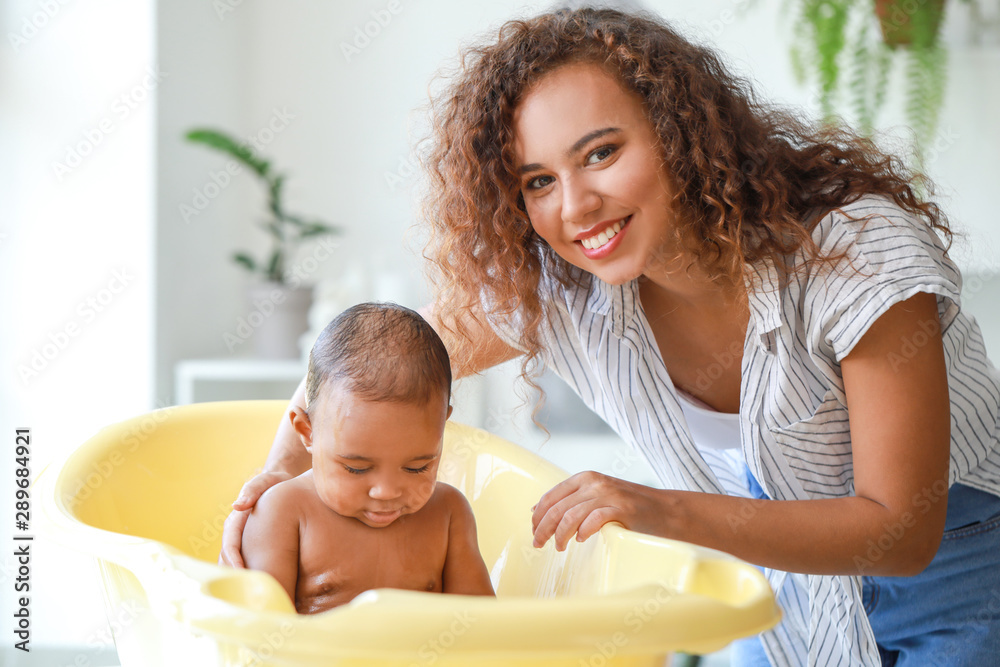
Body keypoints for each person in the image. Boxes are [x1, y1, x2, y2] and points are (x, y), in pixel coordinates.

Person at [221, 7, 1000, 665]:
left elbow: (901, 530)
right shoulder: (558, 292)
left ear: (680, 133)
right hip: (785, 595)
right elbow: (375, 356)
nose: (575, 206)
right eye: (538, 181)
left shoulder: (849, 251)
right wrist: (276, 472)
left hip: (957, 572)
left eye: (601, 152)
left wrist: (656, 508)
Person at [236, 302, 495, 613]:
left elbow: (480, 625)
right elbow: (260, 631)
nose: (386, 491)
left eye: (417, 467)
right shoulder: (283, 512)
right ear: (307, 432)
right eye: (356, 469)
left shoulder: (449, 513)